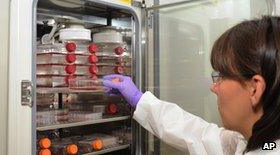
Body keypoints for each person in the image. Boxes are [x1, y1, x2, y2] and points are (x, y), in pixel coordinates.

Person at [103, 16, 280, 155]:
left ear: (255, 89)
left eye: (222, 76)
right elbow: (198, 135)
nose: (214, 87)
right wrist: (139, 100)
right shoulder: (264, 144)